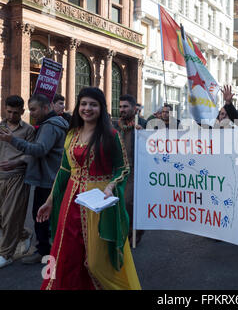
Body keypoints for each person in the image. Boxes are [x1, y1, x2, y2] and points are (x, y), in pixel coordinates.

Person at [36, 87, 141, 290]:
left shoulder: (111, 135)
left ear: (101, 108)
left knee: (96, 261)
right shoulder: (72, 134)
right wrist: (49, 201)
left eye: (93, 104)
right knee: (68, 255)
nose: (87, 108)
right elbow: (64, 170)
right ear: (78, 107)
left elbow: (123, 168)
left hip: (100, 202)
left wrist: (111, 186)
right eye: (83, 104)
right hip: (71, 203)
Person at [0, 94, 68, 264]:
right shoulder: (46, 125)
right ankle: (39, 245)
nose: (32, 113)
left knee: (38, 216)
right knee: (41, 216)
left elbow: (38, 150)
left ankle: (36, 253)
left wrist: (13, 144)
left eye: (33, 109)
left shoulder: (44, 127)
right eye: (30, 110)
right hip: (46, 176)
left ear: (45, 108)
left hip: (38, 177)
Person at [0, 96, 35, 268]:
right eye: (9, 112)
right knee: (2, 217)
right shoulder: (0, 127)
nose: (12, 115)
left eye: (16, 112)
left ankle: (6, 254)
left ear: (22, 111)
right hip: (0, 176)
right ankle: (23, 234)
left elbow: (31, 153)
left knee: (9, 216)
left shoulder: (28, 130)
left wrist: (17, 162)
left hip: (18, 176)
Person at [114, 94, 147, 245]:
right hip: (118, 169)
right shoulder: (116, 125)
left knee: (129, 202)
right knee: (119, 202)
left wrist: (143, 134)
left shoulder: (145, 124)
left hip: (136, 170)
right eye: (120, 106)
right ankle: (124, 231)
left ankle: (135, 231)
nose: (122, 109)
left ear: (134, 108)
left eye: (125, 106)